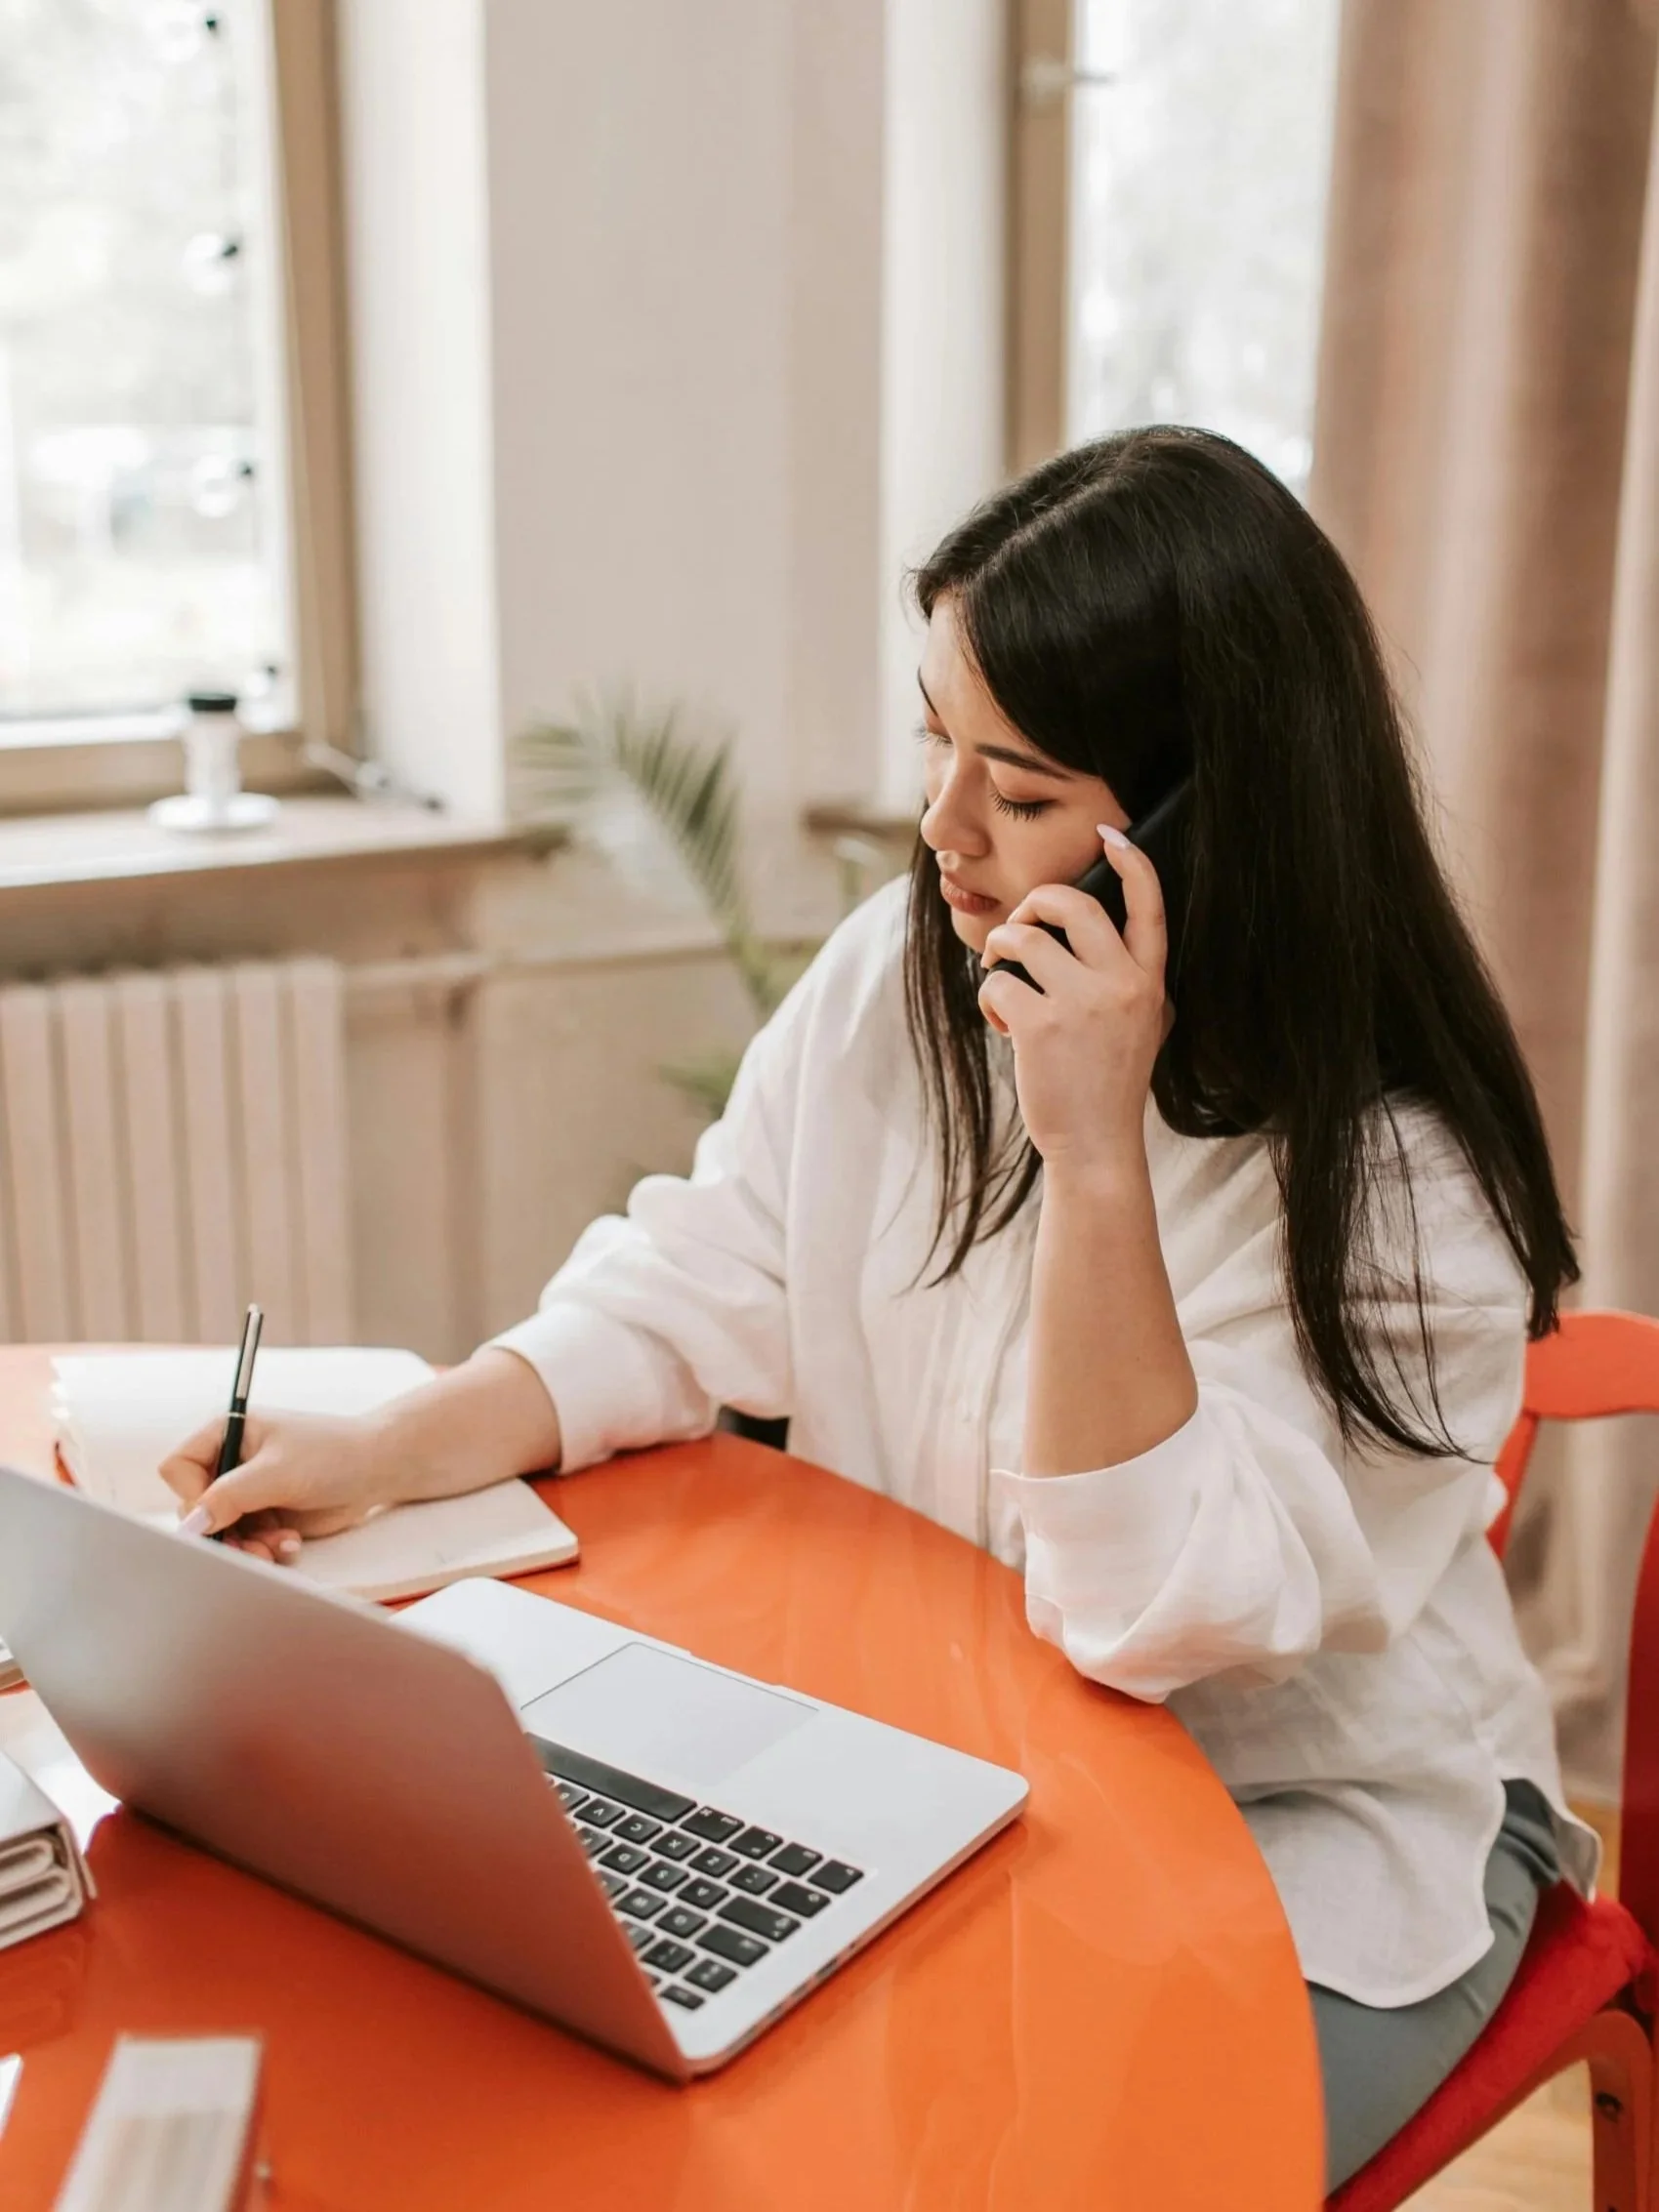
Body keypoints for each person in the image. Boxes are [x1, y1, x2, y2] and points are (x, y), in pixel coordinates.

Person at [162, 428, 1595, 2189]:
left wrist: (1092, 1155)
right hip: (960, 1761)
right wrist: (394, 1441)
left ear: (1194, 816)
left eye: (1018, 782)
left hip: (1310, 1828)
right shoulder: (899, 978)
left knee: (1051, 2172)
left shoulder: (1396, 1179)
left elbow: (1142, 1609)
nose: (940, 831)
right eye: (935, 737)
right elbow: (696, 1275)